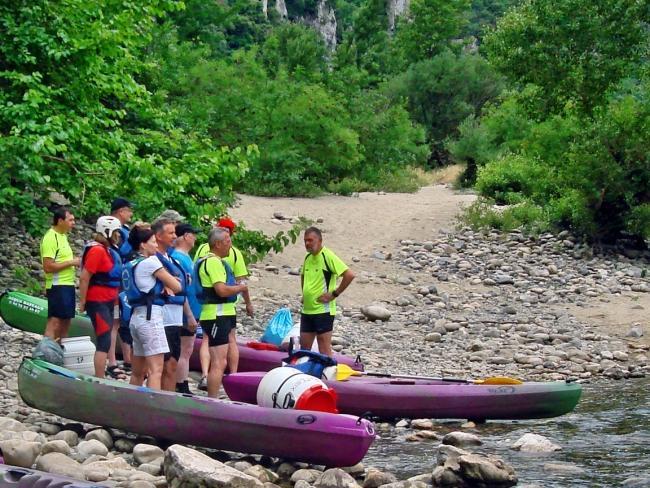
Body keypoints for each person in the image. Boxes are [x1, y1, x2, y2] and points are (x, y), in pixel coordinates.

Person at [194, 217, 253, 391]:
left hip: (223, 313)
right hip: (215, 314)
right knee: (219, 361)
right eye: (227, 242)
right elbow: (221, 290)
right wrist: (240, 288)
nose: (230, 245)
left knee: (221, 359)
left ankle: (219, 390)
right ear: (218, 244)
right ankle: (212, 397)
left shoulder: (217, 260)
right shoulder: (212, 262)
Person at [126, 227, 181, 390]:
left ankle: (132, 404)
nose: (156, 246)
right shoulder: (151, 262)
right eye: (153, 242)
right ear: (143, 245)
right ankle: (152, 407)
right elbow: (177, 286)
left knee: (137, 372)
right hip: (151, 320)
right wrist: (168, 282)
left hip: (136, 319)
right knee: (155, 370)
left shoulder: (132, 263)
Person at [151, 217, 197, 392]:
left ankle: (168, 400)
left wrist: (189, 315)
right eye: (170, 233)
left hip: (175, 317)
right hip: (162, 315)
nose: (174, 236)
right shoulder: (154, 259)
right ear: (159, 236)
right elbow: (174, 286)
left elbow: (180, 289)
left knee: (171, 363)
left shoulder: (171, 259)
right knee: (161, 364)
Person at [78, 216, 123, 378]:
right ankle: (99, 378)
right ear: (108, 231)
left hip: (109, 301)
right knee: (104, 341)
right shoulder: (97, 251)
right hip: (98, 302)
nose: (118, 235)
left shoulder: (108, 250)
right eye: (116, 232)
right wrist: (82, 302)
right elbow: (85, 277)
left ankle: (100, 376)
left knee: (106, 339)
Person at [300, 226, 355, 357]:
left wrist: (334, 294)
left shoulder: (327, 256)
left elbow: (349, 275)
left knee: (324, 350)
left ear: (319, 240)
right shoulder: (307, 258)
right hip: (307, 310)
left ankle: (328, 376)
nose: (307, 243)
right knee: (304, 349)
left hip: (323, 311)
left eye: (310, 240)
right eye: (305, 241)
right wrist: (304, 293)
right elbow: (303, 276)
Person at [40, 207, 81, 341]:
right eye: (70, 220)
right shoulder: (50, 238)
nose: (73, 223)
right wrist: (71, 262)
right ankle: (46, 350)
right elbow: (48, 266)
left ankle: (60, 350)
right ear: (60, 221)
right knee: (55, 320)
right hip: (57, 285)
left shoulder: (63, 236)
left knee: (66, 320)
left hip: (68, 284)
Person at [170, 223, 201, 394]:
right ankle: (180, 383)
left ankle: (180, 381)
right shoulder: (179, 258)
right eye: (193, 235)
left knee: (186, 349)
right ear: (186, 236)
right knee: (185, 349)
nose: (195, 238)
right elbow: (181, 289)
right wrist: (189, 314)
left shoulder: (186, 257)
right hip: (184, 310)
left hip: (192, 308)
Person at [110, 197, 135, 373]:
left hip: (124, 283)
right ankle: (112, 360)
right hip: (117, 284)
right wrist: (134, 238)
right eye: (128, 210)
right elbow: (120, 253)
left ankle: (128, 358)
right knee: (116, 322)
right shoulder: (114, 230)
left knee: (124, 320)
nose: (131, 213)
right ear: (120, 211)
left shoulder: (123, 230)